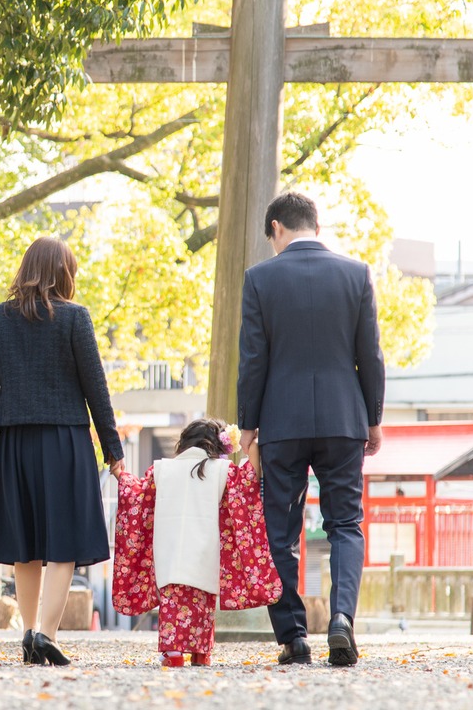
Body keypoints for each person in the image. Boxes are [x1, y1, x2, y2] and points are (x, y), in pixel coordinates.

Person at [236, 191, 386, 667]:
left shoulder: (259, 279)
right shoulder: (356, 274)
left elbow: (253, 359)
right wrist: (374, 419)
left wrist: (247, 427)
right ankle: (341, 619)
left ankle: (293, 637)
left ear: (276, 228)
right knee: (346, 523)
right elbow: (371, 356)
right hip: (344, 419)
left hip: (282, 422)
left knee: (279, 530)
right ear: (316, 227)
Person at [0, 236, 125, 667]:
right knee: (64, 541)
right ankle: (47, 634)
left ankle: (28, 633)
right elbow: (96, 389)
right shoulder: (75, 318)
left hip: (14, 443)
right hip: (65, 440)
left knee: (24, 543)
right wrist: (113, 449)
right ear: (63, 273)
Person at [109, 418, 281, 667]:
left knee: (173, 603)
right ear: (217, 445)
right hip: (205, 552)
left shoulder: (161, 469)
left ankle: (173, 652)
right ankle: (201, 652)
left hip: (169, 553)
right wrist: (249, 442)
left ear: (184, 442)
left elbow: (136, 493)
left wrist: (119, 473)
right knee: (202, 604)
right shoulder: (222, 471)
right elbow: (249, 477)